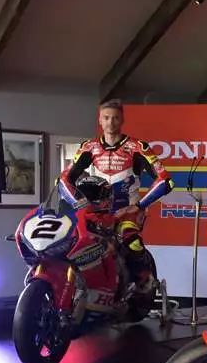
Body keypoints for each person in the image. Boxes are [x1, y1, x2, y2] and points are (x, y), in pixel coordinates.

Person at [59, 99, 173, 294]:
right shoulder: (89, 147)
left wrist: (139, 205)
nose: (110, 122)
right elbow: (64, 179)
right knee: (74, 240)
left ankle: (143, 280)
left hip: (128, 209)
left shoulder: (138, 147)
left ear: (122, 120)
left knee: (131, 241)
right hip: (96, 210)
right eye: (106, 118)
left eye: (115, 118)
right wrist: (78, 203)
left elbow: (165, 180)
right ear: (100, 120)